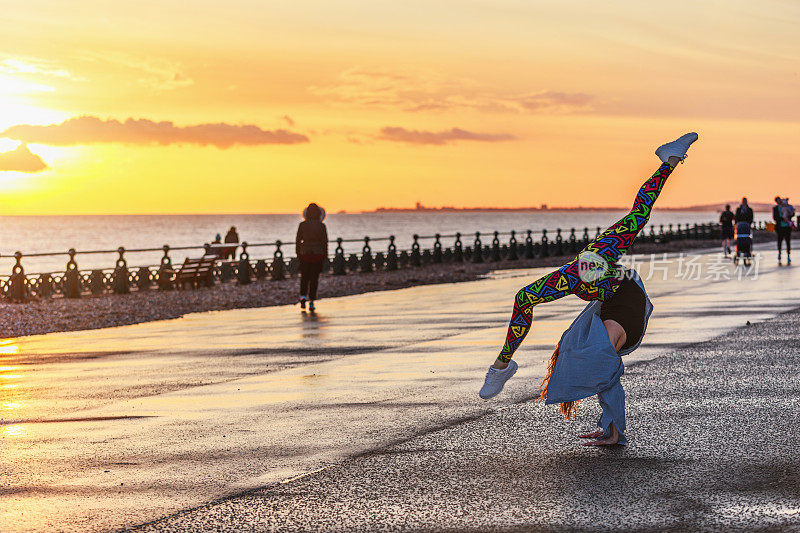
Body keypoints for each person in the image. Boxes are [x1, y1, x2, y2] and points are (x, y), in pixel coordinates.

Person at [479, 132, 699, 446]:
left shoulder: (608, 251)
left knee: (602, 358)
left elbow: (643, 207)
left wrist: (668, 167)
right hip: (606, 305)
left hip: (629, 300)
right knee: (525, 298)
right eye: (587, 273)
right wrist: (504, 358)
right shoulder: (572, 275)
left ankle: (613, 430)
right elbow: (525, 299)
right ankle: (502, 366)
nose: (590, 275)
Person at [295, 203, 328, 312]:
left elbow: (298, 240)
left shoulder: (302, 225)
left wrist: (298, 253)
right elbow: (324, 242)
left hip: (305, 253)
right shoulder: (321, 226)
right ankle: (312, 301)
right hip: (318, 253)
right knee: (314, 278)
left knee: (304, 277)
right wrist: (325, 255)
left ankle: (303, 296)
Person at [774, 196, 792, 265]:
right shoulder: (775, 208)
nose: (779, 201)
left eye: (780, 200)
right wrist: (782, 219)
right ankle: (779, 254)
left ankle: (788, 255)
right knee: (780, 242)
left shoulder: (786, 206)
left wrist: (788, 217)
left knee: (788, 242)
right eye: (778, 200)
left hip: (787, 227)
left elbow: (791, 213)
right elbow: (775, 217)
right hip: (780, 228)